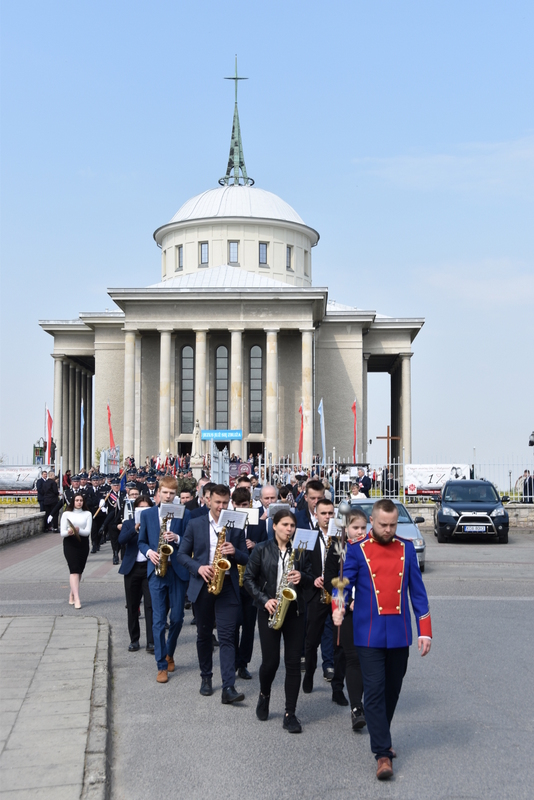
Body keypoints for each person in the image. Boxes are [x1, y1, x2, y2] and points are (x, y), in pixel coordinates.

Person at [332, 498, 432, 781]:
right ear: (372, 522)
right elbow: (343, 583)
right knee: (374, 691)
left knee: (392, 690)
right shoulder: (356, 549)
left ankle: (381, 735)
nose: (388, 530)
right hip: (368, 634)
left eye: (392, 525)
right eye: (383, 525)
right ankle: (382, 753)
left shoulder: (407, 549)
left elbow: (418, 592)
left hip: (399, 633)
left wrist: (425, 630)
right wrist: (338, 607)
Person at [177, 484, 248, 703]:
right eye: (217, 502)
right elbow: (181, 555)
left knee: (227, 636)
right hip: (203, 585)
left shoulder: (235, 524)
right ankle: (206, 677)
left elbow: (246, 558)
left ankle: (228, 687)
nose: (221, 507)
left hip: (227, 586)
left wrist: (234, 552)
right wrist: (198, 567)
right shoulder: (195, 523)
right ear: (208, 501)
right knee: (204, 634)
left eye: (225, 503)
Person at [243, 509, 313, 733]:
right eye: (284, 525)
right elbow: (248, 579)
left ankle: (290, 713)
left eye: (292, 525)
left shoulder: (301, 550)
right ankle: (264, 694)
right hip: (269, 609)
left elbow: (312, 577)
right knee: (270, 662)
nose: (289, 529)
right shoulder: (262, 549)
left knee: (293, 663)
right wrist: (264, 600)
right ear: (274, 526)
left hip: (295, 611)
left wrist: (303, 577)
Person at [138, 476, 191, 683]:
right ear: (158, 493)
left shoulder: (184, 514)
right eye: (165, 492)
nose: (168, 496)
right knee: (159, 621)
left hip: (177, 571)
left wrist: (177, 538)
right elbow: (141, 541)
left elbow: (190, 540)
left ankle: (169, 652)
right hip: (156, 571)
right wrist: (149, 552)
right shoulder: (148, 514)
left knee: (177, 618)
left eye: (172, 493)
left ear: (176, 495)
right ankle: (161, 665)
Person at [324, 508, 368, 731]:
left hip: (367, 610)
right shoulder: (339, 548)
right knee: (350, 656)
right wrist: (345, 602)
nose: (360, 532)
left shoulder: (370, 548)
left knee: (365, 658)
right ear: (346, 528)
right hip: (346, 610)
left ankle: (364, 698)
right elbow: (333, 580)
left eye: (363, 528)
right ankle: (355, 706)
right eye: (355, 528)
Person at [301, 498, 347, 704]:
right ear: (316, 515)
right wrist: (313, 579)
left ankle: (338, 688)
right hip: (316, 594)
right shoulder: (308, 536)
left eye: (330, 513)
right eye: (323, 514)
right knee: (311, 641)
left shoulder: (341, 538)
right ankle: (309, 673)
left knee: (340, 643)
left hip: (336, 595)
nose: (327, 517)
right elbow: (300, 565)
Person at [232, 487, 268, 679]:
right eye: (238, 505)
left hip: (252, 580)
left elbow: (267, 547)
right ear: (233, 505)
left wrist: (255, 545)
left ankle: (243, 663)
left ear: (250, 504)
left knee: (248, 625)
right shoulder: (228, 523)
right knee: (233, 623)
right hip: (233, 579)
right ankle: (232, 660)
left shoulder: (259, 524)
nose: (241, 508)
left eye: (244, 505)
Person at [118, 496, 154, 653]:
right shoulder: (128, 523)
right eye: (141, 509)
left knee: (150, 606)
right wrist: (135, 529)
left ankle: (151, 641)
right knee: (132, 605)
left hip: (148, 568)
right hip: (132, 569)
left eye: (147, 508)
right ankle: (134, 639)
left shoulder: (154, 524)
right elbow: (121, 540)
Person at [60, 493, 92, 609]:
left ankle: (72, 594)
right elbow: (62, 532)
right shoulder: (66, 514)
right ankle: (77, 598)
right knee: (74, 570)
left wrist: (79, 530)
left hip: (83, 543)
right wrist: (69, 532)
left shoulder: (87, 514)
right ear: (73, 501)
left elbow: (87, 532)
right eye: (77, 500)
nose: (79, 502)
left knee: (79, 570)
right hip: (70, 543)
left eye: (81, 500)